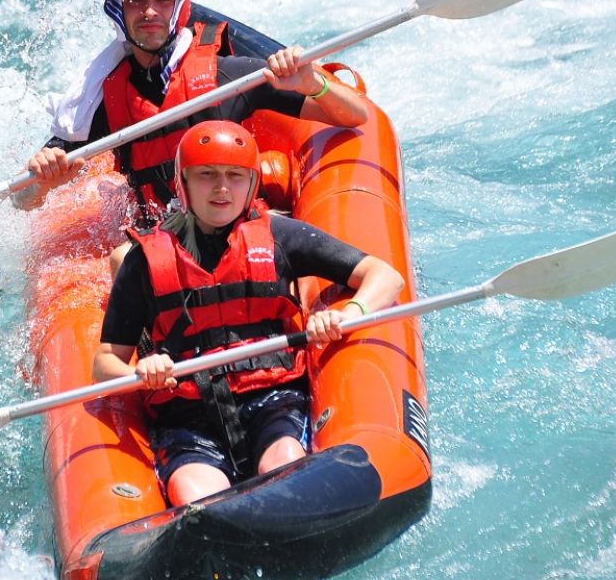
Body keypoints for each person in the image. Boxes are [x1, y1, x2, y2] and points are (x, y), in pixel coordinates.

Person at [91, 121, 405, 507]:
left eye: (234, 176)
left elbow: (385, 277)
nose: (222, 188)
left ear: (251, 183)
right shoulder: (144, 261)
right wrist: (139, 373)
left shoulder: (280, 236)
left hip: (271, 401)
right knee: (196, 497)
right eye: (206, 175)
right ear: (183, 183)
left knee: (286, 463)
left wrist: (347, 313)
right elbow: (105, 362)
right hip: (186, 418)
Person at [13, 0, 368, 220]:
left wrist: (312, 83)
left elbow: (354, 115)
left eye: (162, 0)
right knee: (121, 260)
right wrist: (45, 179)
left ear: (179, 6)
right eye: (135, 1)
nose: (149, 11)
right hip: (159, 241)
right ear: (118, 11)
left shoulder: (228, 75)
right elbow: (21, 200)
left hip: (235, 225)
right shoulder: (102, 102)